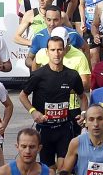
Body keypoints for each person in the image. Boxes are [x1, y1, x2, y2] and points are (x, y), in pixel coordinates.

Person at [20, 36, 87, 168]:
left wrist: (84, 113)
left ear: (65, 51)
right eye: (53, 50)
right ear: (47, 52)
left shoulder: (72, 75)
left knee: (64, 167)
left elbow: (83, 96)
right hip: (45, 130)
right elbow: (23, 96)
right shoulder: (38, 75)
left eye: (59, 50)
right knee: (49, 170)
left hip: (64, 128)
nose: (56, 54)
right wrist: (34, 112)